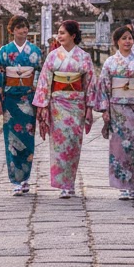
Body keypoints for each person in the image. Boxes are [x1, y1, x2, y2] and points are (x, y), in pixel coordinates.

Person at [32, 19, 97, 198]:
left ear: (73, 35)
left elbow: (90, 83)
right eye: (58, 33)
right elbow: (45, 81)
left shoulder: (84, 57)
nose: (59, 36)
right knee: (59, 144)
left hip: (77, 104)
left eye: (62, 33)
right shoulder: (53, 56)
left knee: (73, 143)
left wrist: (90, 107)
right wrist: (43, 105)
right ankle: (63, 184)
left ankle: (70, 182)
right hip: (58, 104)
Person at [95, 25, 134, 200]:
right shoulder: (110, 63)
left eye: (130, 38)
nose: (127, 41)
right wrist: (104, 109)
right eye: (123, 38)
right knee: (118, 148)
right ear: (117, 42)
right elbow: (104, 87)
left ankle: (132, 185)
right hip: (117, 110)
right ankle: (122, 185)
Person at [0, 15, 44, 194]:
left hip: (28, 100)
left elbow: (41, 73)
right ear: (12, 30)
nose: (23, 30)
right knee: (11, 140)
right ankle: (16, 181)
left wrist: (37, 91)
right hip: (10, 101)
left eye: (26, 27)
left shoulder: (35, 51)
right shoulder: (5, 51)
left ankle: (25, 178)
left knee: (28, 139)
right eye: (19, 27)